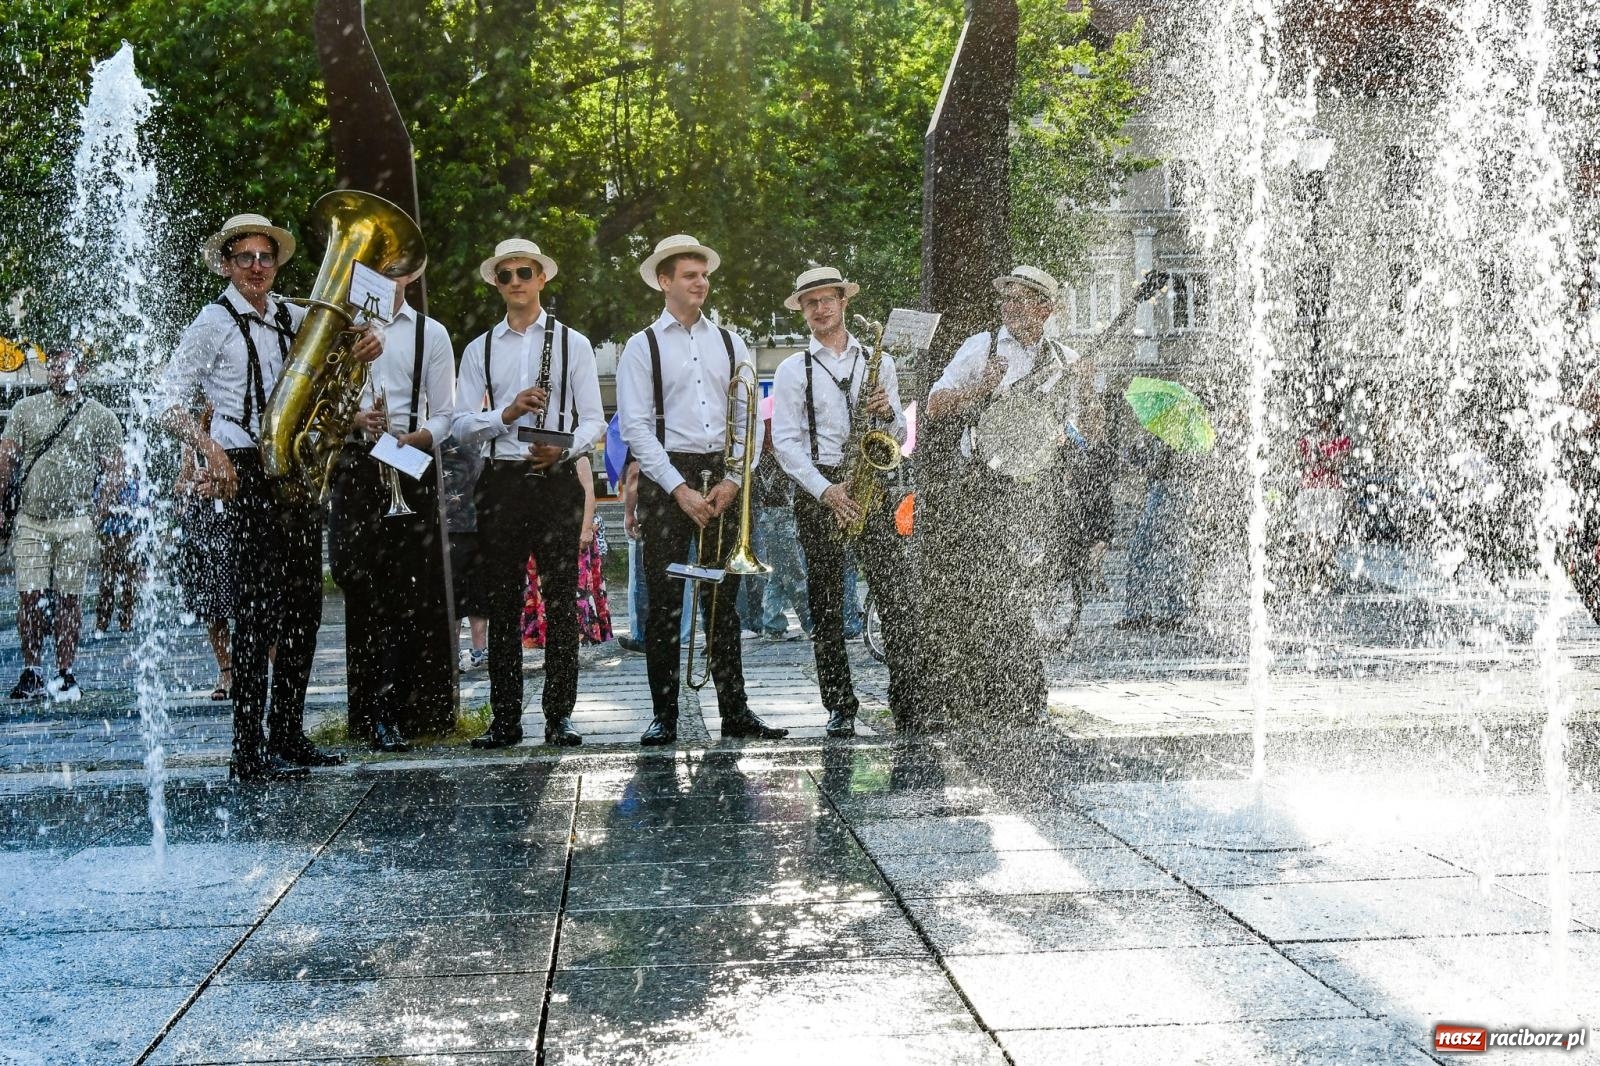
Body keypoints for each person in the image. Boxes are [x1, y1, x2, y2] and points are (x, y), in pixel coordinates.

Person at [158, 211, 376, 781]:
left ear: (276, 264)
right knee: (257, 613)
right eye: (246, 258)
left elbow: (351, 339)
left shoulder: (291, 315)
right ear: (227, 264)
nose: (257, 266)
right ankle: (247, 751)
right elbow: (166, 401)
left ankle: (288, 734)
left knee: (303, 608)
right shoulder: (211, 320)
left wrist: (368, 342)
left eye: (266, 257)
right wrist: (210, 450)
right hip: (245, 468)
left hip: (294, 469)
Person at [616, 233, 788, 745]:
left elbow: (747, 417)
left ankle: (735, 711)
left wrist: (735, 479)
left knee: (722, 603)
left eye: (704, 274)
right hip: (667, 476)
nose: (701, 283)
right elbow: (636, 428)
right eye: (690, 275)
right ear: (665, 282)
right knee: (665, 604)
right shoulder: (640, 346)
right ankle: (663, 715)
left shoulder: (732, 342)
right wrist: (677, 489)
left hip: (722, 473)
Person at [451, 238, 605, 749]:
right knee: (503, 602)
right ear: (497, 284)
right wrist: (508, 414)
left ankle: (559, 716)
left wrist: (561, 451)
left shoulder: (573, 343)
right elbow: (460, 427)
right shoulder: (480, 348)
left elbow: (594, 421)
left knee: (561, 601)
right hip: (502, 481)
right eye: (505, 275)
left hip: (555, 480)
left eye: (524, 272)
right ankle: (506, 719)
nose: (515, 281)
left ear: (542, 278)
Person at [924, 264, 1088, 731]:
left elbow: (1083, 433)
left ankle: (1021, 694)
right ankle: (991, 694)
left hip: (1038, 490)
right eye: (1006, 299)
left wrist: (1078, 415)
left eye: (1020, 300)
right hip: (983, 485)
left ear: (1047, 308)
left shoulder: (1066, 359)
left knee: (1025, 591)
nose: (1009, 308)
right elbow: (935, 406)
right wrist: (982, 386)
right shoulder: (982, 347)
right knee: (985, 591)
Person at [771, 266, 914, 737]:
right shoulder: (793, 370)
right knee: (827, 603)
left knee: (894, 596)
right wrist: (826, 491)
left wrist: (888, 413)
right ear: (803, 311)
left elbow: (897, 435)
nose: (819, 308)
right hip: (821, 487)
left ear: (842, 302)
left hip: (870, 478)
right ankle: (839, 705)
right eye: (810, 303)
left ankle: (907, 700)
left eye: (826, 299)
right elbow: (787, 443)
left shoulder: (880, 361)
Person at [329, 271, 456, 753]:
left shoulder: (431, 333)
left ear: (416, 272)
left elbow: (444, 414)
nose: (390, 277)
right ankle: (366, 708)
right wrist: (355, 417)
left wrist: (415, 438)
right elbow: (317, 402)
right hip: (355, 461)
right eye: (379, 268)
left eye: (399, 267)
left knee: (407, 592)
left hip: (408, 460)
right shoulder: (338, 327)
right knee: (354, 577)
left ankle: (391, 711)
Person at [0, 345, 124, 702]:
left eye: (66, 365)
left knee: (70, 600)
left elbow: (116, 468)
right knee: (30, 597)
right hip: (32, 521)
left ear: (81, 370)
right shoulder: (25, 409)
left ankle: (65, 673)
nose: (59, 372)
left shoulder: (100, 416)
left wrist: (98, 512)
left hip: (75, 521)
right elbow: (6, 460)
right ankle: (33, 670)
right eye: (53, 366)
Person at [175, 401, 236, 700]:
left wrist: (220, 486)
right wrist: (194, 485)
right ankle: (226, 671)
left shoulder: (237, 434)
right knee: (213, 605)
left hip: (233, 526)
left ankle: (270, 673)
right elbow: (180, 484)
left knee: (250, 603)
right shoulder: (195, 441)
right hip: (205, 529)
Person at [521, 455, 613, 647]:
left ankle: (574, 640)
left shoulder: (579, 457)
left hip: (574, 532)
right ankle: (550, 640)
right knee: (544, 590)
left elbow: (589, 493)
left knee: (577, 589)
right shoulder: (533, 457)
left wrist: (586, 529)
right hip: (544, 530)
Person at [739, 413, 814, 641]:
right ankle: (810, 622)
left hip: (769, 519)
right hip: (779, 519)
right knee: (794, 575)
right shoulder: (774, 458)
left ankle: (772, 623)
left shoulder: (759, 458)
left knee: (778, 575)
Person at [440, 435, 489, 670]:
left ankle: (480, 649)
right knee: (454, 592)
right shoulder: (436, 433)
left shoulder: (481, 430)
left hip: (480, 523)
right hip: (448, 527)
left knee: (479, 590)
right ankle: (452, 650)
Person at [93, 477, 141, 636]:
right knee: (107, 579)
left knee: (129, 580)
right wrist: (108, 492)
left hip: (129, 534)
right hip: (108, 536)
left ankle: (126, 619)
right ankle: (102, 619)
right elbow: (98, 510)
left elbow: (137, 507)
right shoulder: (103, 483)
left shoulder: (133, 483)